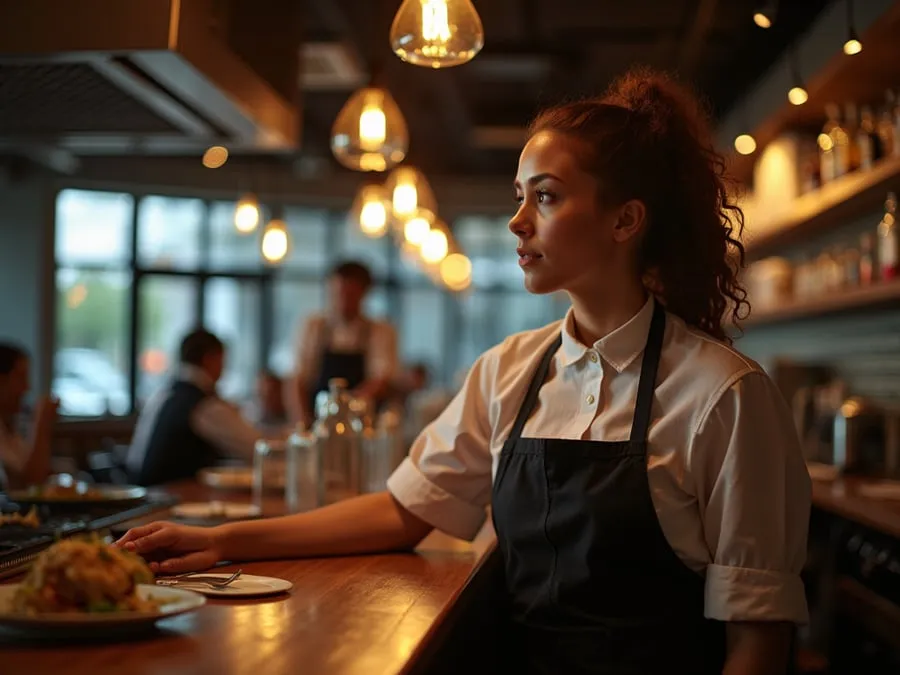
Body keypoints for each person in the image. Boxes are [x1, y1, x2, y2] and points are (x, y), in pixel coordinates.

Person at [118, 68, 811, 674]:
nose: (516, 221)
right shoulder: (509, 370)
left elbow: (757, 642)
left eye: (545, 196)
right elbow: (401, 508)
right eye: (519, 194)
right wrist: (220, 540)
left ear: (625, 219)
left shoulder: (725, 395)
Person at [126, 329, 276, 486]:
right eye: (222, 361)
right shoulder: (201, 404)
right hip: (166, 498)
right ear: (209, 359)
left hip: (143, 492)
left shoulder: (164, 393)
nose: (224, 369)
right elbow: (258, 449)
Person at [285, 261, 398, 428]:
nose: (342, 300)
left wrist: (344, 411)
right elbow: (297, 379)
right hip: (318, 423)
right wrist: (302, 422)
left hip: (362, 425)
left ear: (365, 293)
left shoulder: (380, 331)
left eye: (350, 294)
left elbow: (381, 381)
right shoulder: (313, 327)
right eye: (337, 293)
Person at [0, 343, 57, 490]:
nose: (27, 387)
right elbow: (31, 482)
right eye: (20, 377)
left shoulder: (11, 426)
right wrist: (42, 421)